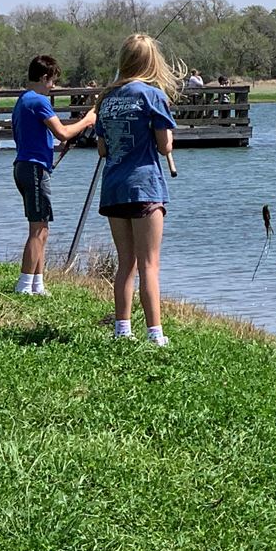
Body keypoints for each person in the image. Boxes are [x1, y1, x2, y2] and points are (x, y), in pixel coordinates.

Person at [94, 33, 180, 345]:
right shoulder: (152, 96)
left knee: (125, 263)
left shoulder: (106, 99)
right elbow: (163, 145)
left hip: (114, 188)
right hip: (144, 187)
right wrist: (166, 130)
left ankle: (122, 329)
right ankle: (155, 334)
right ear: (151, 62)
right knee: (149, 265)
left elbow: (103, 150)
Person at [8, 55, 96, 296]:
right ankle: (24, 285)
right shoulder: (38, 101)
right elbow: (63, 133)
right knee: (37, 230)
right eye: (53, 81)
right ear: (44, 77)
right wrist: (87, 120)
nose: (53, 86)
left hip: (26, 166)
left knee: (42, 228)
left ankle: (38, 284)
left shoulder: (23, 100)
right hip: (34, 169)